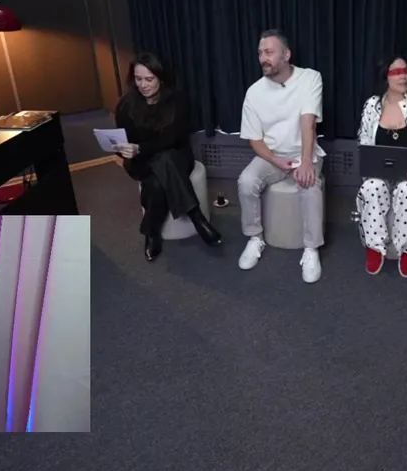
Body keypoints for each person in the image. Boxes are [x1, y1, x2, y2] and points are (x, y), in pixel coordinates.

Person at [112, 52, 221, 261]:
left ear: (161, 78)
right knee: (158, 171)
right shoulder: (126, 105)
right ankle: (197, 219)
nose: (143, 85)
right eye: (138, 79)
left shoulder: (177, 100)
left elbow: (171, 139)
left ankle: (151, 233)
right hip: (141, 162)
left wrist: (140, 148)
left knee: (161, 169)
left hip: (176, 156)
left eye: (149, 79)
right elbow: (122, 141)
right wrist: (123, 150)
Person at [236, 29, 326, 283]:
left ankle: (311, 249)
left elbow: (308, 122)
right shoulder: (254, 92)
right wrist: (275, 161)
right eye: (260, 53)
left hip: (303, 151)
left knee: (310, 185)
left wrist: (306, 162)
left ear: (286, 55)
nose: (263, 58)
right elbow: (255, 139)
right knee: (246, 181)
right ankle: (255, 238)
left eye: (269, 52)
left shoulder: (310, 78)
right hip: (272, 155)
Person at [356, 56, 407, 277]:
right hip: (377, 175)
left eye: (405, 71)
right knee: (372, 186)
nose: (403, 76)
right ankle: (374, 247)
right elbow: (363, 140)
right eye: (397, 72)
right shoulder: (372, 106)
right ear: (385, 78)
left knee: (406, 190)